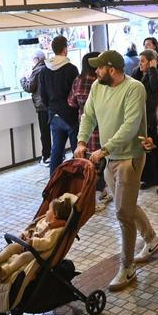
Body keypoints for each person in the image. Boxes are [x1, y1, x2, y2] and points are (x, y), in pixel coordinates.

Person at [75, 50, 158, 291]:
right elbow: (88, 115)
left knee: (123, 213)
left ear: (111, 69)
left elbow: (130, 126)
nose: (96, 71)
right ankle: (152, 239)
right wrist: (81, 141)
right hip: (109, 158)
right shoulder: (97, 87)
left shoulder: (134, 89)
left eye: (99, 68)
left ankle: (127, 267)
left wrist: (104, 149)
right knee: (127, 205)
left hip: (128, 158)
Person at [0, 197, 73, 282]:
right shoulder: (44, 221)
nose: (46, 212)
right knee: (12, 247)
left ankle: (6, 271)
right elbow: (33, 230)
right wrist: (25, 234)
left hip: (39, 254)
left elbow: (47, 243)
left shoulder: (57, 230)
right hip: (29, 245)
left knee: (23, 257)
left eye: (49, 210)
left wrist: (32, 242)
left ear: (55, 214)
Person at [69, 52, 108, 206]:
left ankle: (89, 194)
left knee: (88, 162)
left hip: (85, 129)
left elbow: (71, 102)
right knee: (102, 160)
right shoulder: (100, 83)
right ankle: (102, 191)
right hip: (102, 128)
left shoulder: (77, 81)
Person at [40, 35, 80, 176]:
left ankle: (54, 181)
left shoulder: (44, 70)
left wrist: (51, 108)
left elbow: (42, 95)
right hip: (70, 114)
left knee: (56, 150)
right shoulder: (71, 69)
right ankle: (78, 179)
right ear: (65, 49)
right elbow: (76, 92)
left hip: (53, 115)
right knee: (77, 149)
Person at [133, 49, 158, 190]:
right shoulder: (140, 74)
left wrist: (153, 68)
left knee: (157, 151)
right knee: (147, 149)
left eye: (143, 61)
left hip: (155, 118)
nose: (140, 64)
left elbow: (155, 87)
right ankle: (151, 178)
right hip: (144, 118)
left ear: (152, 62)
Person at [22, 49, 50, 164]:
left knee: (44, 132)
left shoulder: (37, 70)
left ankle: (46, 156)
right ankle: (57, 154)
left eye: (33, 59)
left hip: (42, 106)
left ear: (37, 59)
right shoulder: (49, 67)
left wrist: (23, 79)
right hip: (50, 104)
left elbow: (29, 87)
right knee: (54, 131)